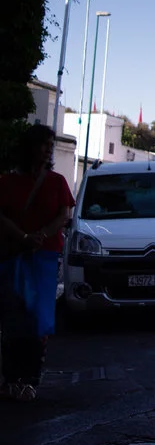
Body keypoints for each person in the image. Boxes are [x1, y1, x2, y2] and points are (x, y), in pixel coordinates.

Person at [0, 124, 74, 401]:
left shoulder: (57, 182)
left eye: (51, 145)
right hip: (11, 255)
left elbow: (63, 215)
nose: (48, 149)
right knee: (11, 317)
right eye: (43, 144)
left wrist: (40, 235)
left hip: (42, 257)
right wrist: (22, 236)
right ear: (29, 146)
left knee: (38, 319)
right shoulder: (7, 182)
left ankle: (31, 379)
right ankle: (10, 379)